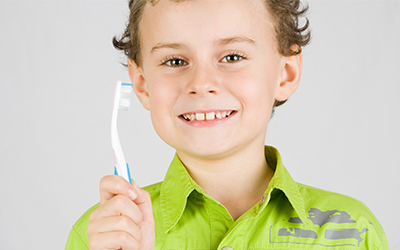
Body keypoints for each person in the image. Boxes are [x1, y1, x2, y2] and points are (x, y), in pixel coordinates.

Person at [66, 0, 389, 249]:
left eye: (232, 57)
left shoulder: (352, 232)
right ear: (141, 83)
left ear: (285, 74)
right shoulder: (105, 236)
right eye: (175, 61)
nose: (202, 83)